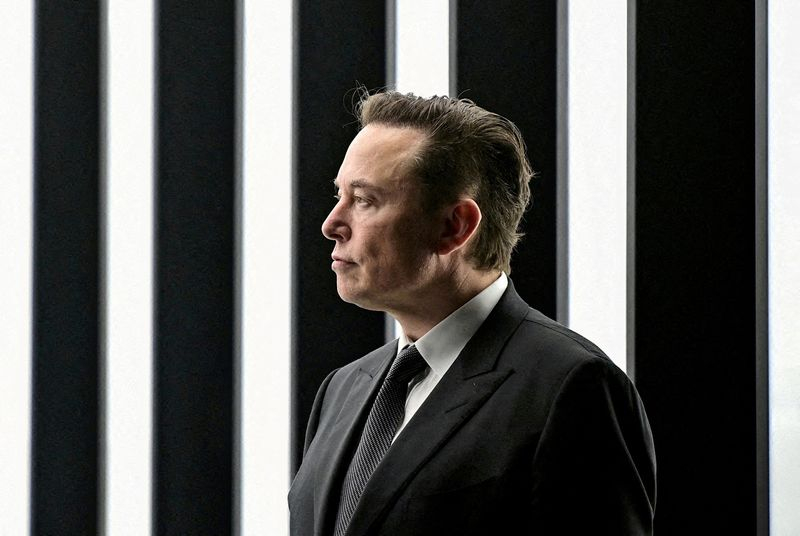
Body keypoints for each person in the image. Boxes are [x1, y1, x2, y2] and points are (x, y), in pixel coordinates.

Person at [288, 91, 656, 536]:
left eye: (364, 199)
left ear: (455, 227)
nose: (331, 224)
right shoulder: (341, 389)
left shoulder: (573, 387)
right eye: (339, 195)